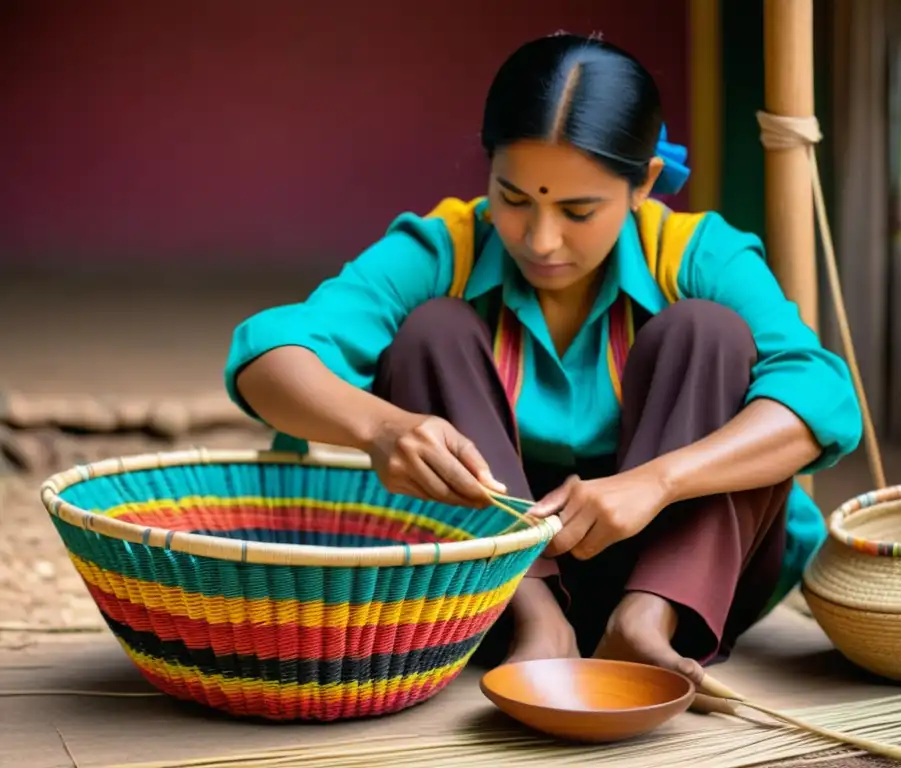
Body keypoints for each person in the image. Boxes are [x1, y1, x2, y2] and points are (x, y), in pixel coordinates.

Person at [224, 33, 862, 683]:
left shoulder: (697, 253)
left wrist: (658, 481)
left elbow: (823, 395)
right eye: (515, 198)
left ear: (642, 184)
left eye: (578, 210)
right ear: (490, 171)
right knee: (430, 333)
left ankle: (645, 620)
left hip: (699, 585)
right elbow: (270, 353)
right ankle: (538, 623)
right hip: (485, 595)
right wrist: (380, 427)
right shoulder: (448, 246)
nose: (541, 239)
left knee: (710, 335)